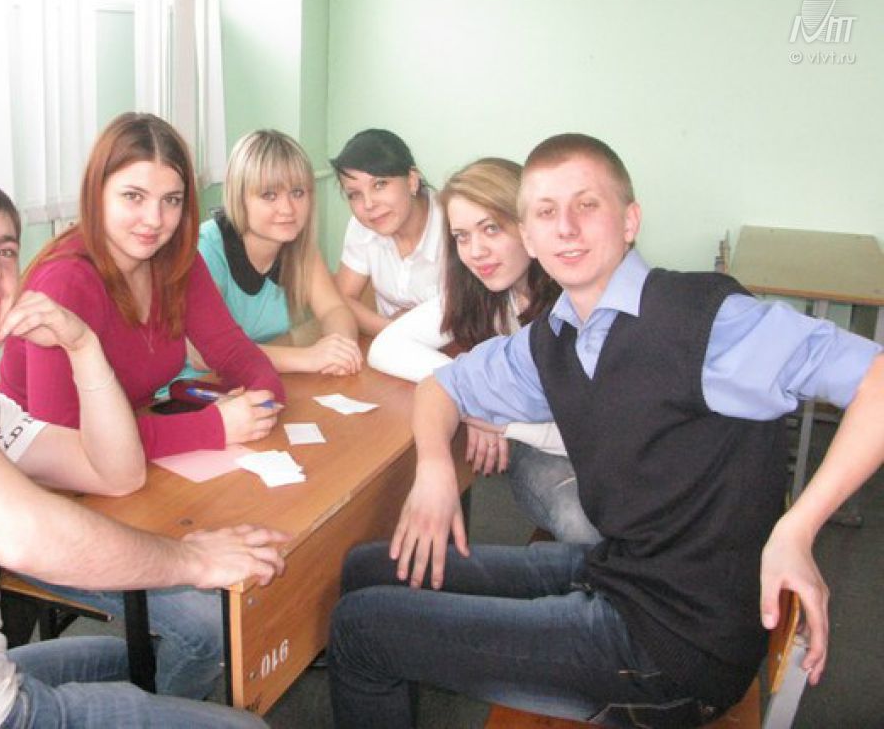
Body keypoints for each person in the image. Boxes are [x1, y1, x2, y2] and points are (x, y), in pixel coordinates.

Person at [328, 133, 884, 728]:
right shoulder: (555, 338)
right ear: (530, 236)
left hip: (673, 646)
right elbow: (442, 389)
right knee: (370, 566)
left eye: (586, 205)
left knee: (361, 630)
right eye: (546, 212)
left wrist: (798, 527)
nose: (566, 228)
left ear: (630, 220)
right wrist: (436, 467)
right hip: (623, 570)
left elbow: (876, 378)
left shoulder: (705, 320)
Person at [0, 173, 285, 729]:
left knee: (134, 656)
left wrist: (82, 345)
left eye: (4, 251)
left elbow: (116, 473)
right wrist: (193, 560)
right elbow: (22, 534)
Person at [0, 112, 285, 700]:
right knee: (210, 626)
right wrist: (212, 427)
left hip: (131, 476)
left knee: (266, 550)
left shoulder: (175, 260)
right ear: (95, 192)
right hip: (44, 498)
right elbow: (71, 448)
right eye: (133, 196)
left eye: (171, 200)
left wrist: (262, 394)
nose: (154, 220)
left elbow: (232, 349)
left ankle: (139, 693)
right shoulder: (64, 283)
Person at [368, 157, 598, 543]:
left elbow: (593, 430)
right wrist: (473, 388)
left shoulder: (576, 294)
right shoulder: (483, 287)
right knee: (581, 522)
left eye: (491, 228)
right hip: (543, 451)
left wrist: (495, 413)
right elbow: (386, 346)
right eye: (461, 236)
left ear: (527, 226)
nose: (475, 251)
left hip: (594, 448)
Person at [178, 129, 361, 377]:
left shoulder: (297, 245)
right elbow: (202, 353)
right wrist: (308, 358)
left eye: (297, 193)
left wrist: (342, 348)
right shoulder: (206, 249)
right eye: (269, 195)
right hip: (198, 386)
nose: (287, 209)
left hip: (256, 377)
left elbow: (334, 310)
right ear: (239, 198)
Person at [331, 128, 445, 336]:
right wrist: (393, 331)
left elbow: (468, 317)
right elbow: (340, 300)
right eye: (354, 194)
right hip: (389, 346)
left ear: (412, 180)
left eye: (380, 184)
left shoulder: (453, 226)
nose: (368, 204)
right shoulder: (363, 225)